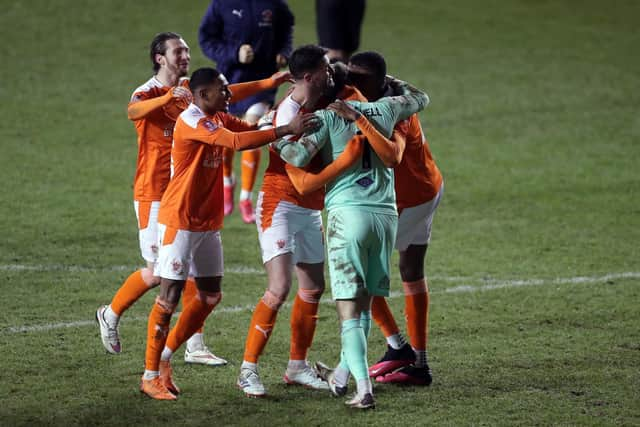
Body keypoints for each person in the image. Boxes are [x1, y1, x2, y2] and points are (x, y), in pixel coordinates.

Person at [96, 31, 292, 366]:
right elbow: (133, 111)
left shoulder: (194, 90)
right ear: (160, 57)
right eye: (178, 51)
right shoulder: (150, 92)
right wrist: (168, 98)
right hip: (155, 191)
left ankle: (194, 343)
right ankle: (111, 313)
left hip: (183, 188)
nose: (185, 56)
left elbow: (226, 94)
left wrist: (265, 84)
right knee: (160, 272)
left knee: (186, 273)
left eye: (187, 51)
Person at [139, 67, 318, 400]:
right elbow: (236, 142)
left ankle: (165, 357)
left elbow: (248, 132)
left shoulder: (218, 116)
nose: (229, 95)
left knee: (210, 296)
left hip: (207, 222)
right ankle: (149, 375)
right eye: (222, 90)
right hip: (180, 219)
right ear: (203, 94)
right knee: (169, 297)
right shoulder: (192, 120)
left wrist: (278, 108)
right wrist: (284, 128)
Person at [272, 72, 429, 409]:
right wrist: (389, 78)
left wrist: (276, 136)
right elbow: (420, 98)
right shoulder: (386, 109)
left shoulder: (326, 119)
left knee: (349, 312)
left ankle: (364, 389)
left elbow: (297, 158)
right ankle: (342, 375)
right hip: (385, 218)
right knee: (366, 303)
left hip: (349, 218)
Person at [236, 45, 362, 398]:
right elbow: (291, 160)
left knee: (313, 287)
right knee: (279, 288)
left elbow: (345, 75)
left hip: (309, 206)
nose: (330, 73)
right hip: (280, 203)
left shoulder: (322, 97)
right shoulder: (288, 112)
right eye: (324, 68)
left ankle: (297, 366)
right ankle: (247, 370)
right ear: (309, 76)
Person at [346, 52, 443, 386]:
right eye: (350, 78)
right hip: (426, 187)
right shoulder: (384, 93)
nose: (353, 85)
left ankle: (398, 347)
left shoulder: (395, 108)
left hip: (407, 199)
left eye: (360, 80)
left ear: (379, 82)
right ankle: (419, 364)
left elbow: (393, 155)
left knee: (358, 272)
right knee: (411, 271)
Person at [199, 0, 295, 223]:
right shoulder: (221, 4)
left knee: (251, 131)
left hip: (262, 85)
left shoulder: (275, 4)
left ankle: (245, 198)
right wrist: (234, 54)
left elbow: (287, 26)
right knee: (225, 141)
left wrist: (284, 52)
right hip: (227, 86)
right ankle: (227, 183)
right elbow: (206, 39)